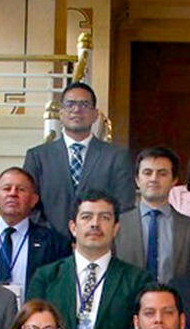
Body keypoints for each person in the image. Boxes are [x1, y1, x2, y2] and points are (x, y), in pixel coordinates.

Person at [25, 190, 154, 329]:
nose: (95, 224)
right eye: (86, 217)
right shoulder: (46, 277)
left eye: (104, 218)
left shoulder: (138, 281)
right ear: (73, 227)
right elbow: (33, 327)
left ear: (116, 228)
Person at [23, 81, 135, 238]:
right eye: (70, 104)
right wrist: (52, 238)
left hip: (99, 244)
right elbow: (29, 204)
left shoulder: (116, 156)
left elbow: (124, 206)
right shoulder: (38, 157)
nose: (76, 109)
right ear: (61, 113)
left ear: (95, 114)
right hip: (49, 247)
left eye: (84, 105)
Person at [0, 166, 72, 295]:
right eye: (7, 188)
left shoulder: (55, 243)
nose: (13, 193)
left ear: (33, 200)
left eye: (21, 189)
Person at [115, 146, 190, 282]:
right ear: (137, 180)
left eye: (162, 173)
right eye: (147, 172)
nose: (154, 179)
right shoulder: (116, 226)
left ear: (174, 180)